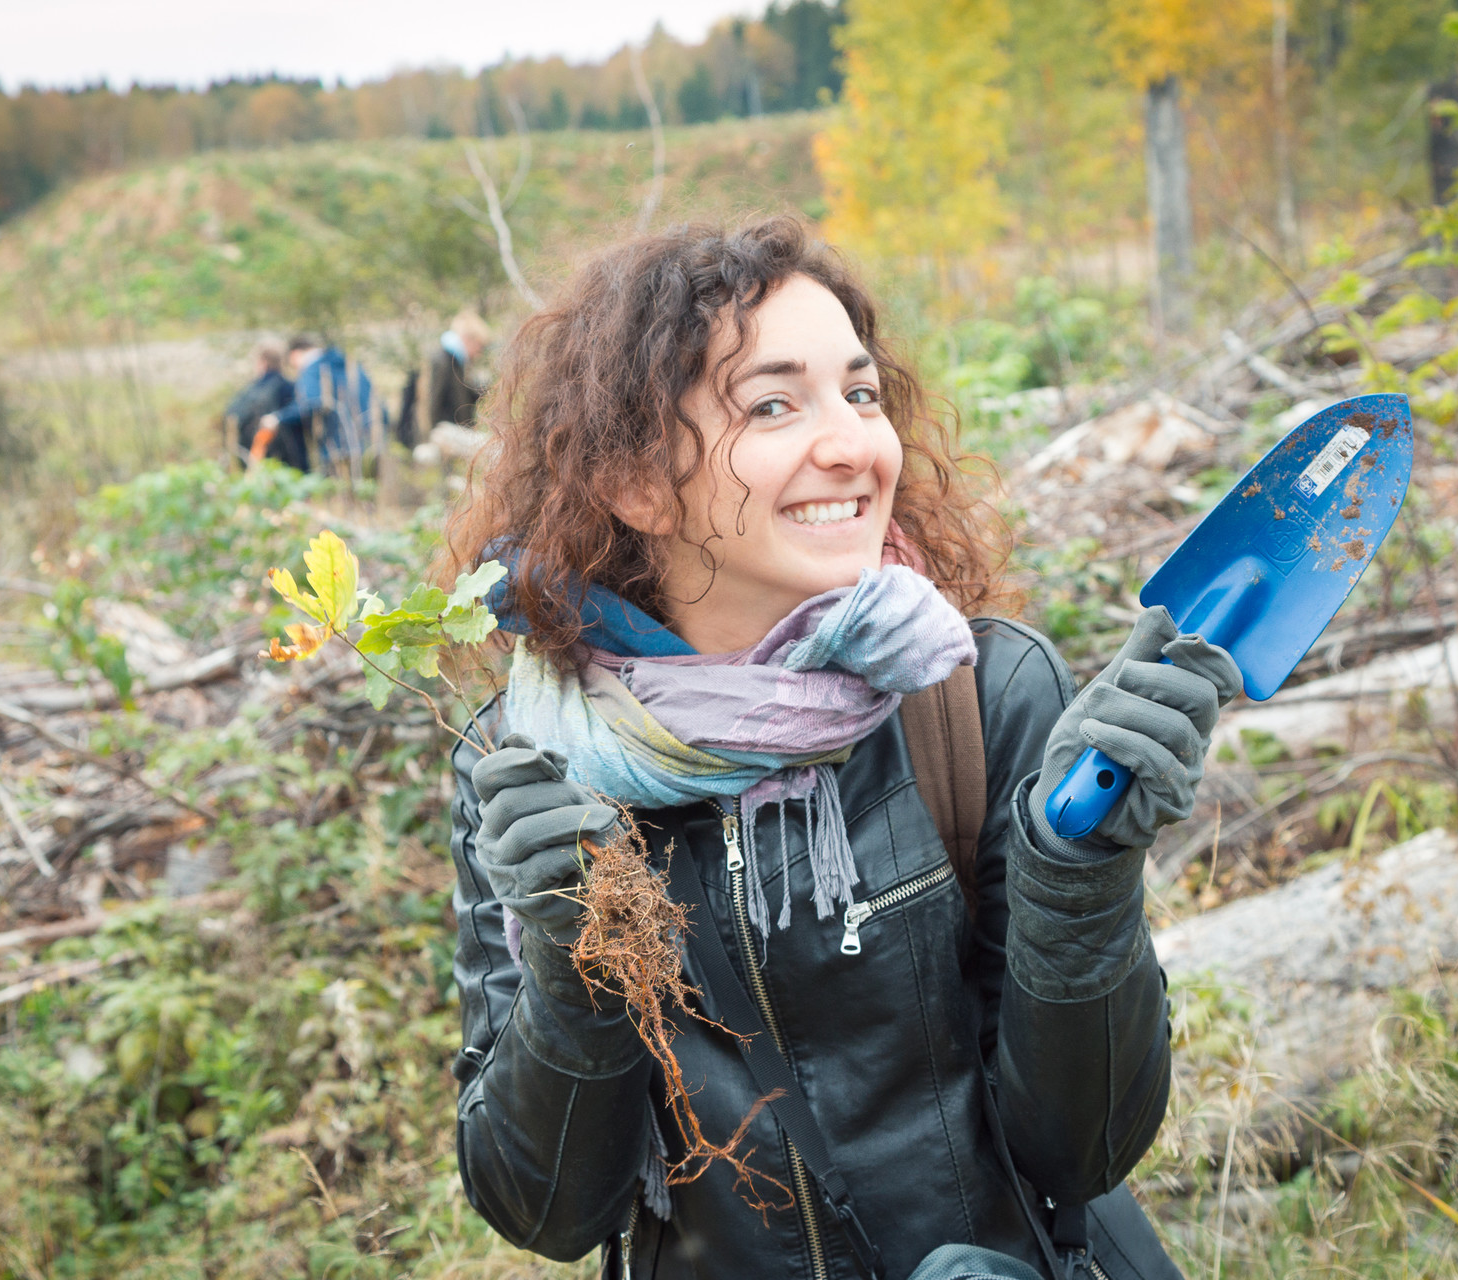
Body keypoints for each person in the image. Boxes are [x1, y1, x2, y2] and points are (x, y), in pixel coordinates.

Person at [441, 218, 1239, 1278]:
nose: (856, 443)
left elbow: (1084, 1147)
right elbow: (545, 1211)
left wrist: (1077, 879)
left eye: (860, 394)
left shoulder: (974, 692)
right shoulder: (525, 761)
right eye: (774, 404)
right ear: (636, 481)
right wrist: (572, 966)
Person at [257, 336, 374, 473]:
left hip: (339, 449)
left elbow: (310, 403)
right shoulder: (347, 363)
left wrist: (277, 418)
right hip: (370, 444)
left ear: (295, 355)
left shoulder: (312, 369)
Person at [403, 309, 489, 449]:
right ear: (468, 339)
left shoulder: (456, 362)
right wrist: (427, 441)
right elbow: (431, 401)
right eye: (478, 347)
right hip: (441, 435)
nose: (478, 353)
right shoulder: (442, 361)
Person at [225, 343, 297, 470]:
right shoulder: (289, 386)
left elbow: (232, 413)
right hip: (286, 454)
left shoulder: (253, 388)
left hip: (254, 449)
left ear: (263, 362)